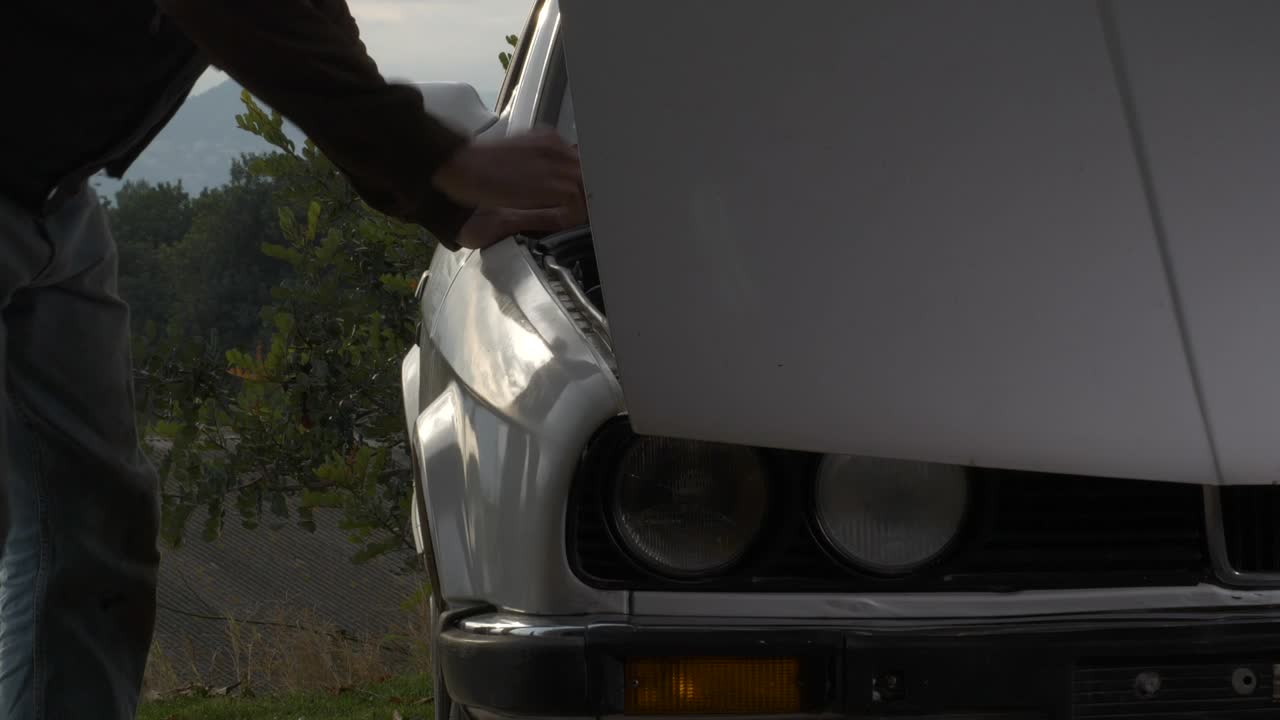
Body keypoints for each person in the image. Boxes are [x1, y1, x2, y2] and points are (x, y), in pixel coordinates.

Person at [0, 1, 584, 718]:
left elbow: (303, 22)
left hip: (50, 197)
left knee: (90, 525)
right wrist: (447, 161)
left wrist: (446, 197)